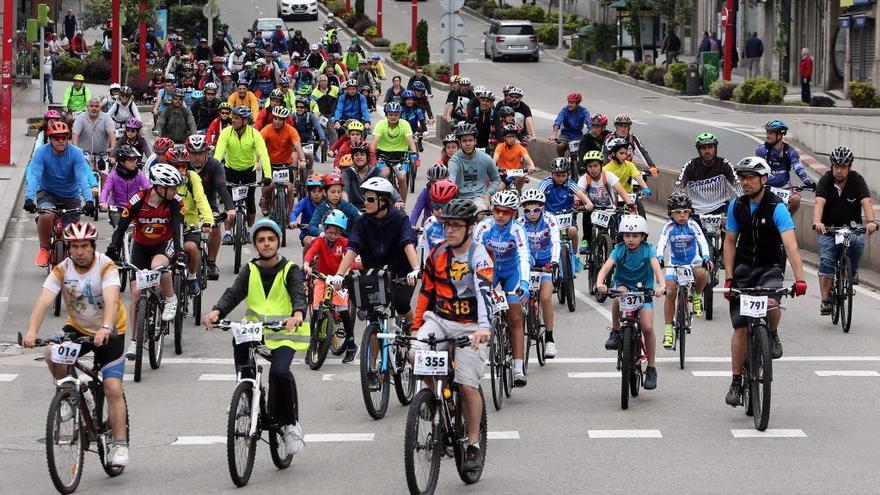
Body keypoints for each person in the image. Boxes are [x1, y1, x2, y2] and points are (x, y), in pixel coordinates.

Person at [22, 221, 130, 467]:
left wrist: (106, 327)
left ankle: (120, 444)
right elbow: (43, 302)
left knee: (113, 388)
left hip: (111, 331)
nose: (79, 251)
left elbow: (112, 302)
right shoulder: (62, 269)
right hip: (78, 328)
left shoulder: (106, 267)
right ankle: (68, 394)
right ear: (68, 248)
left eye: (84, 246)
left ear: (93, 246)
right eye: (74, 247)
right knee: (51, 352)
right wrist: (31, 331)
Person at [203, 218, 307, 455]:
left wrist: (297, 314)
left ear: (278, 242)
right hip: (256, 329)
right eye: (261, 240)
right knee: (238, 339)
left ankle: (290, 424)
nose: (266, 244)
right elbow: (233, 293)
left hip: (285, 331)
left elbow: (298, 294)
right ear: (255, 244)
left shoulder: (291, 269)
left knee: (280, 373)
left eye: (271, 239)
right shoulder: (250, 269)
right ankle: (246, 394)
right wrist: (216, 312)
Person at [411, 198, 492, 473]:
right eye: (447, 226)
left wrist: (484, 327)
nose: (450, 231)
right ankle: (431, 396)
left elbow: (484, 294)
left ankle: (472, 445)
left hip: (471, 326)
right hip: (441, 321)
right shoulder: (436, 254)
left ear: (470, 228)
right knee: (415, 351)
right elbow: (425, 292)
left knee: (467, 384)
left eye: (456, 226)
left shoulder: (480, 256)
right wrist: (415, 326)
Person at [723, 156, 808, 406]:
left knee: (771, 302)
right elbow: (729, 242)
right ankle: (736, 380)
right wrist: (729, 277)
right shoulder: (736, 206)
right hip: (743, 269)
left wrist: (800, 280)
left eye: (750, 177)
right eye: (742, 177)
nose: (745, 182)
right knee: (740, 327)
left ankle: (771, 333)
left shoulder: (777, 207)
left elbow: (791, 247)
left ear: (764, 179)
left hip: (770, 267)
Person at [106, 164, 186, 358]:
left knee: (157, 266)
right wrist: (113, 249)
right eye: (172, 188)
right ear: (159, 187)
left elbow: (177, 230)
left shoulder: (175, 202)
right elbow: (121, 227)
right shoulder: (138, 200)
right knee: (136, 295)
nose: (175, 191)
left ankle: (170, 298)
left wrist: (179, 252)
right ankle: (135, 341)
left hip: (162, 245)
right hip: (140, 248)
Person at [328, 177, 421, 336]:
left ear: (384, 201)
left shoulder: (400, 218)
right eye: (365, 198)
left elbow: (408, 243)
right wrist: (338, 274)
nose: (366, 203)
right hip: (374, 272)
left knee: (401, 304)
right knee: (373, 319)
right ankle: (370, 361)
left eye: (370, 199)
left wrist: (416, 269)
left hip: (402, 272)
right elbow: (353, 248)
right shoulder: (362, 221)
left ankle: (412, 331)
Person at [596, 215, 664, 389]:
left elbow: (656, 267)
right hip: (625, 286)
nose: (631, 239)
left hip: (644, 290)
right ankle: (616, 331)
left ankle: (651, 367)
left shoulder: (648, 249)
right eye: (627, 235)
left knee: (647, 327)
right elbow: (605, 267)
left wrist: (661, 285)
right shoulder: (619, 249)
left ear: (643, 236)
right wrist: (600, 283)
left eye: (635, 236)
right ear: (622, 236)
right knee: (619, 296)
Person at [472, 190, 530, 386]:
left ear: (513, 213)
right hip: (490, 270)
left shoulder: (518, 230)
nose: (500, 215)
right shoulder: (483, 227)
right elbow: (474, 254)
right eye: (497, 210)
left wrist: (524, 282)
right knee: (480, 309)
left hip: (511, 272)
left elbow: (523, 256)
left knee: (515, 317)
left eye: (505, 212)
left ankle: (518, 367)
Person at [813, 145, 878, 313]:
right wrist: (817, 222)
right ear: (832, 166)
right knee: (827, 260)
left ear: (849, 168)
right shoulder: (826, 181)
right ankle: (826, 299)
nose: (839, 171)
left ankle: (853, 270)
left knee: (857, 242)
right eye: (836, 166)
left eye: (843, 167)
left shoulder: (857, 180)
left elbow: (866, 202)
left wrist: (871, 221)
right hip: (828, 228)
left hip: (850, 228)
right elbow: (819, 202)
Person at [24, 121, 94, 267]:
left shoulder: (76, 153)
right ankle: (44, 249)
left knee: (72, 235)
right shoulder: (41, 153)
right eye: (56, 138)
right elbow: (35, 176)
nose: (61, 140)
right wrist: (29, 199)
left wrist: (89, 201)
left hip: (71, 195)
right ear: (50, 139)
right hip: (47, 192)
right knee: (46, 215)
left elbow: (82, 177)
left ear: (68, 138)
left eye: (64, 137)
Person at [656, 193, 711, 347]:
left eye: (685, 212)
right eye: (678, 212)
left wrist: (706, 257)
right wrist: (659, 257)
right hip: (675, 262)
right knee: (671, 291)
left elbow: (702, 241)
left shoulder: (693, 225)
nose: (682, 215)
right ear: (671, 213)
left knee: (701, 272)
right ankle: (668, 331)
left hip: (693, 259)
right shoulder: (669, 226)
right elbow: (661, 243)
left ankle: (697, 297)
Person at [303, 210, 357, 362]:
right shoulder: (319, 241)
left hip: (338, 280)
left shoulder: (345, 243)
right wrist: (307, 264)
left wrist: (346, 272)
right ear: (324, 229)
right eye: (329, 231)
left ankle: (351, 343)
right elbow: (310, 253)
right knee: (316, 309)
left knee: (343, 309)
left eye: (336, 232)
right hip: (322, 278)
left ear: (341, 232)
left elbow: (351, 260)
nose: (332, 235)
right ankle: (312, 344)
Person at [214, 105, 272, 241]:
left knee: (250, 202)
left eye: (236, 118)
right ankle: (228, 232)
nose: (233, 120)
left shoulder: (254, 134)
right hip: (230, 171)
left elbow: (264, 155)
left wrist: (267, 175)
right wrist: (214, 173)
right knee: (229, 203)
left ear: (245, 121)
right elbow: (218, 155)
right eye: (232, 117)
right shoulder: (226, 132)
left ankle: (250, 230)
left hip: (248, 172)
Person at [516, 189, 561, 358]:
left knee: (546, 298)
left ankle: (550, 339)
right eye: (527, 210)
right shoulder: (519, 223)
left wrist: (555, 261)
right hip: (528, 263)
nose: (532, 214)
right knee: (518, 297)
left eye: (535, 210)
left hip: (546, 263)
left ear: (541, 208)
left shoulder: (550, 220)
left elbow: (556, 240)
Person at [165, 147, 215, 295]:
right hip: (167, 227)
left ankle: (192, 277)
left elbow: (201, 199)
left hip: (189, 226)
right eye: (176, 166)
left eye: (184, 165)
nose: (181, 169)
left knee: (192, 248)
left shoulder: (192, 178)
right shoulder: (163, 179)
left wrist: (207, 220)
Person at [577, 150, 633, 253]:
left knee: (617, 233)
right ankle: (586, 241)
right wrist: (577, 202)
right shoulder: (584, 179)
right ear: (586, 168)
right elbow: (579, 193)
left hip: (610, 209)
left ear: (601, 165)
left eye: (595, 165)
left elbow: (621, 191)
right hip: (593, 210)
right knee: (586, 214)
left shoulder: (608, 176)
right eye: (590, 166)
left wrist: (629, 204)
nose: (593, 169)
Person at [755, 120, 815, 214]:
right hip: (765, 186)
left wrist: (807, 180)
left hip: (784, 187)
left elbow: (798, 167)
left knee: (796, 199)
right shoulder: (761, 150)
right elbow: (755, 169)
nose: (767, 135)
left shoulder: (790, 151)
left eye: (770, 133)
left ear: (779, 135)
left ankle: (786, 220)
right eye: (767, 132)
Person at [537, 157, 594, 254]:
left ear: (568, 174)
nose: (560, 178)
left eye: (563, 175)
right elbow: (537, 196)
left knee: (573, 231)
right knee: (543, 235)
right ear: (552, 174)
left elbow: (580, 194)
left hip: (568, 216)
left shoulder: (570, 184)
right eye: (557, 175)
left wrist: (588, 203)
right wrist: (537, 207)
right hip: (549, 217)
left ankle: (574, 256)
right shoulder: (546, 183)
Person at [675, 133, 741, 215]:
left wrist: (742, 197)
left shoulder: (724, 164)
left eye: (710, 147)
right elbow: (679, 183)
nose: (707, 151)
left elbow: (736, 183)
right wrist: (676, 196)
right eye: (703, 148)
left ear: (715, 148)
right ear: (698, 150)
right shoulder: (690, 165)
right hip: (696, 212)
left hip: (721, 209)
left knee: (733, 224)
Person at [261, 105, 307, 215]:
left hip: (286, 164)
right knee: (268, 187)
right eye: (275, 118)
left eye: (280, 119)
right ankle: (265, 200)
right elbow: (259, 145)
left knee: (290, 188)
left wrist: (303, 159)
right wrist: (258, 161)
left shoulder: (291, 130)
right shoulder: (267, 129)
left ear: (285, 120)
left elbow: (297, 145)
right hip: (270, 164)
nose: (277, 121)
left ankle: (289, 215)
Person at [370, 101, 419, 203]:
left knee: (401, 178)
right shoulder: (381, 124)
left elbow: (410, 140)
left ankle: (402, 203)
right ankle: (384, 200)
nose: (393, 117)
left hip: (400, 157)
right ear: (386, 115)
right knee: (384, 174)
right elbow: (374, 142)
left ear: (400, 115)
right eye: (390, 114)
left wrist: (414, 153)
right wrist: (371, 153)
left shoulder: (405, 124)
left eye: (396, 115)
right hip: (383, 156)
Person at [447, 124, 500, 211]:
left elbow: (496, 178)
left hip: (479, 199)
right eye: (464, 141)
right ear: (459, 143)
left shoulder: (485, 158)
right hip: (459, 199)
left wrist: (488, 194)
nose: (468, 144)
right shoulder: (454, 161)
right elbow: (451, 179)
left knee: (477, 213)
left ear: (475, 141)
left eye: (470, 140)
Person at [100, 145, 150, 224]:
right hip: (116, 209)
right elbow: (106, 189)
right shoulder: (113, 175)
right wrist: (103, 202)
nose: (134, 163)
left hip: (134, 207)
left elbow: (148, 187)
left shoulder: (138, 174)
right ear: (122, 161)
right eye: (130, 160)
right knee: (118, 232)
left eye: (135, 159)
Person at [305, 173, 360, 245]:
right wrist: (321, 233)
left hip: (347, 244)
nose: (336, 195)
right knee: (308, 241)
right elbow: (312, 226)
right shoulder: (320, 209)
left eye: (339, 192)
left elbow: (360, 221)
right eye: (333, 192)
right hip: (327, 243)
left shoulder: (348, 207)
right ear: (324, 192)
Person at [343, 143, 401, 210]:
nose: (359, 157)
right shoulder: (348, 172)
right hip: (354, 209)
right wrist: (346, 206)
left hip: (373, 208)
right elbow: (344, 191)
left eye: (362, 154)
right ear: (353, 158)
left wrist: (398, 200)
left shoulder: (375, 172)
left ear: (367, 157)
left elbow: (388, 186)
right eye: (356, 155)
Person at [604, 137, 651, 216]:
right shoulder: (605, 169)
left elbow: (638, 177)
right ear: (613, 154)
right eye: (621, 153)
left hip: (629, 196)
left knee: (640, 207)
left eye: (625, 153)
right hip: (613, 198)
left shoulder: (629, 165)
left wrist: (645, 188)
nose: (624, 156)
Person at [418, 179, 458, 259]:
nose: (440, 211)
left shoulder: (465, 226)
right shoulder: (429, 224)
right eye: (436, 205)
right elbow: (427, 257)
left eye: (445, 206)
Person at [494, 124, 535, 193]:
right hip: (503, 173)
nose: (512, 139)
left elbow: (528, 159)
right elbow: (494, 159)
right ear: (504, 137)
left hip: (516, 174)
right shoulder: (500, 146)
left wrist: (532, 166)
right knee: (499, 189)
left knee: (522, 177)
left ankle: (518, 192)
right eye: (509, 136)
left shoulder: (520, 148)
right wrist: (494, 166)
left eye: (513, 136)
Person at [290, 174, 325, 248]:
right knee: (309, 243)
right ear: (309, 192)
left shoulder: (327, 203)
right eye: (313, 191)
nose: (316, 194)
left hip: (325, 232)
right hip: (307, 233)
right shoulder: (305, 201)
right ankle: (306, 259)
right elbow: (294, 212)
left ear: (324, 192)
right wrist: (293, 221)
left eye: (319, 191)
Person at [550, 92, 590, 158]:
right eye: (569, 102)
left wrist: (590, 134)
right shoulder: (564, 110)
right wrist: (554, 133)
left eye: (572, 103)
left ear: (577, 103)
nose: (569, 104)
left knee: (580, 151)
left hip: (577, 136)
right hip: (565, 135)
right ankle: (561, 161)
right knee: (560, 146)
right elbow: (558, 121)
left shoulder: (583, 111)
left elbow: (589, 124)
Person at [410, 163, 449, 227]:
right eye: (434, 182)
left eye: (441, 182)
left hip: (447, 224)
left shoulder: (452, 191)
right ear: (430, 182)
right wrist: (411, 226)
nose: (438, 185)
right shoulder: (425, 192)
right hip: (429, 224)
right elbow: (416, 211)